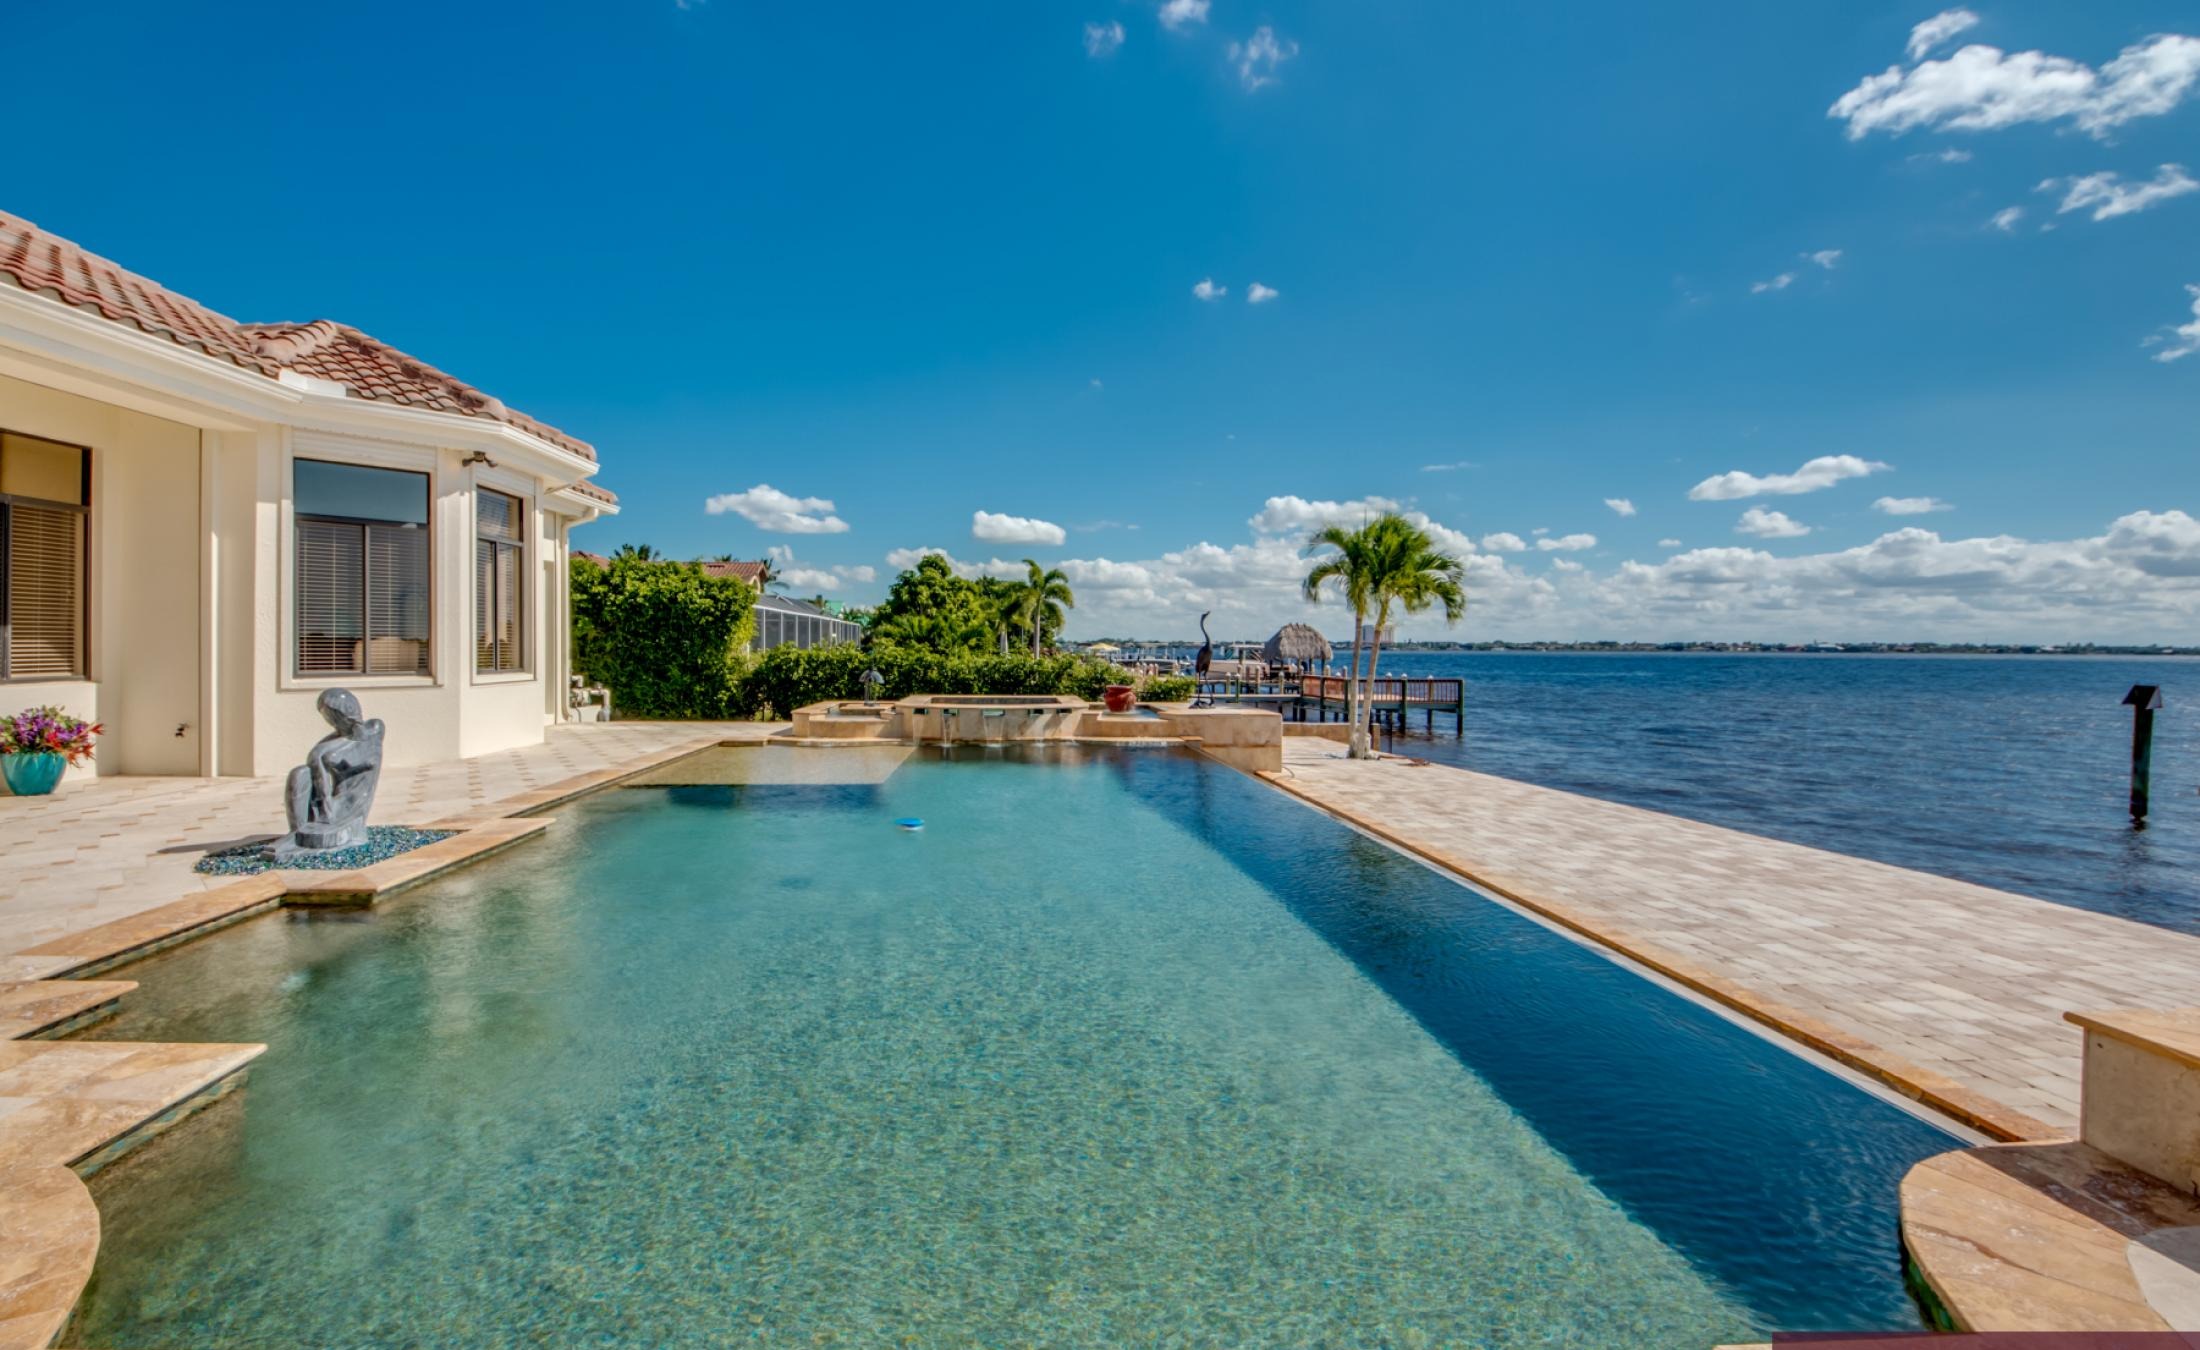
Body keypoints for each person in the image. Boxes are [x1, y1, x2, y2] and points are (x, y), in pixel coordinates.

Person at [278, 689, 385, 856]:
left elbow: (357, 748)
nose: (328, 720)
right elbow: (321, 780)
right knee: (299, 774)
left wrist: (321, 753)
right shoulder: (329, 744)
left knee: (308, 769)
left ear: (342, 713)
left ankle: (304, 834)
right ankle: (296, 831)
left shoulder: (374, 729)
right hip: (329, 803)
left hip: (350, 805)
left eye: (329, 715)